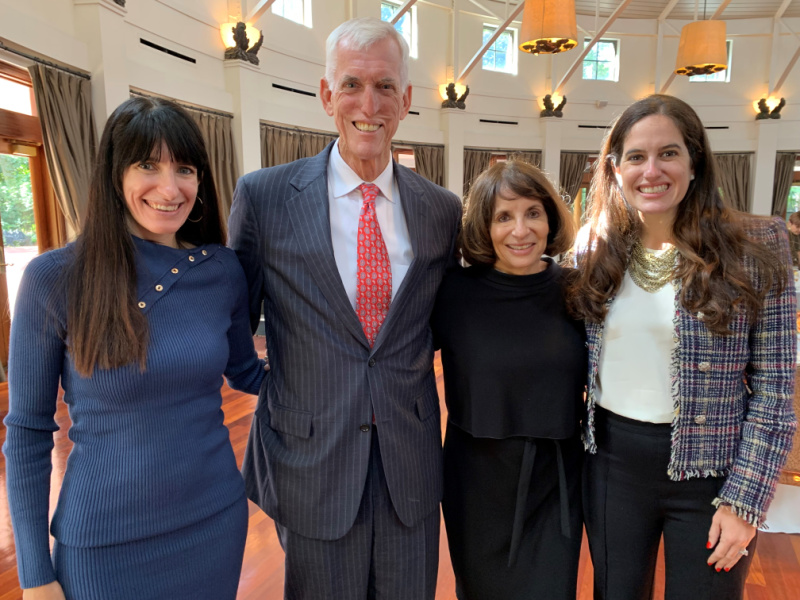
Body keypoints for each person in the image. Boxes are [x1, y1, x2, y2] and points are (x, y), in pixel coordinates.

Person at [229, 17, 462, 600]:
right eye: (353, 84)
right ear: (327, 94)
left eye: (386, 86)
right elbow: (235, 318)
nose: (370, 103)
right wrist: (278, 386)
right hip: (312, 459)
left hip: (408, 463)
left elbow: (443, 323)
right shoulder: (265, 198)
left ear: (406, 100)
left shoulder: (441, 211)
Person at [3, 96, 266, 600]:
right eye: (148, 164)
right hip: (103, 543)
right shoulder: (54, 279)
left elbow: (246, 374)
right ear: (114, 175)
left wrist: (344, 374)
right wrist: (35, 575)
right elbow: (28, 434)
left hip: (214, 523)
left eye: (184, 168)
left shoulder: (222, 270)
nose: (169, 188)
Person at [567, 94, 797, 600]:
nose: (652, 170)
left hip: (712, 472)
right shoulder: (592, 249)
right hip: (612, 464)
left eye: (668, 153)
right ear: (615, 167)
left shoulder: (756, 248)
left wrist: (745, 501)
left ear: (694, 162)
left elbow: (776, 390)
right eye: (635, 156)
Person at [431, 160, 586, 600]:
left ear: (551, 218)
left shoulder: (577, 290)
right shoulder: (453, 292)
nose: (521, 230)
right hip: (476, 480)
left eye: (533, 212)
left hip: (555, 480)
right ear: (485, 224)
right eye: (504, 216)